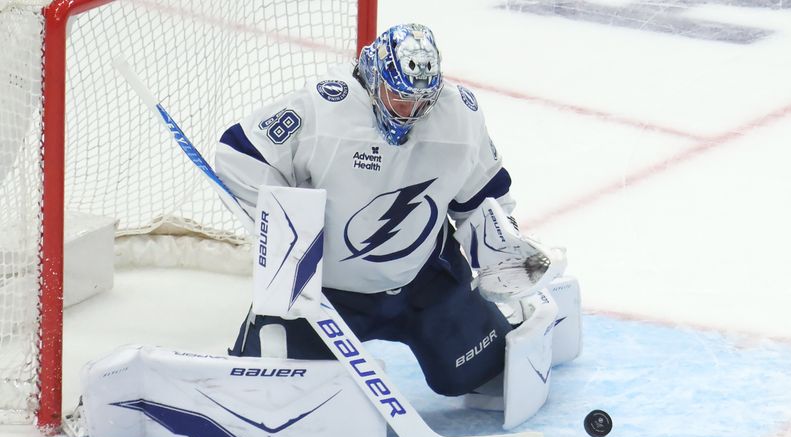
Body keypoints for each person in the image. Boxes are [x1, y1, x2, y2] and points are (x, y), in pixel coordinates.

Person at [215, 23, 577, 400]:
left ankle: (510, 314)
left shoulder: (459, 115)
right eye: (399, 96)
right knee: (273, 393)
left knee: (475, 376)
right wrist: (287, 230)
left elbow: (484, 193)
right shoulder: (324, 108)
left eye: (422, 100)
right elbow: (240, 154)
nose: (409, 111)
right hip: (325, 295)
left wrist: (501, 248)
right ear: (374, 77)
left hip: (424, 283)